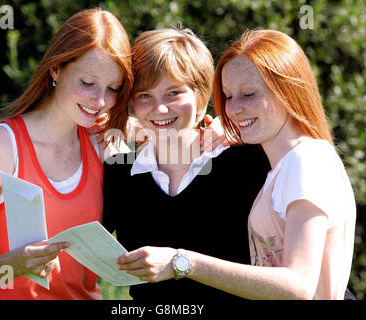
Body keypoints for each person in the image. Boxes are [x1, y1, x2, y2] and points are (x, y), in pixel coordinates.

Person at [116, 29, 357, 300]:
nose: (233, 108)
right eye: (229, 96)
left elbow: (300, 284)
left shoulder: (299, 159)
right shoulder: (281, 163)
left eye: (249, 94)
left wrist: (181, 262)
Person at [0, 8, 133, 300]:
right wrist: (11, 264)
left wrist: (211, 134)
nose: (100, 101)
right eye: (87, 83)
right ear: (56, 68)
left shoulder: (106, 147)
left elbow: (171, 136)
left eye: (112, 89)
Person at [102, 28, 271, 300]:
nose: (159, 108)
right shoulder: (118, 173)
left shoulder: (248, 161)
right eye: (145, 95)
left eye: (173, 93)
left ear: (201, 95)